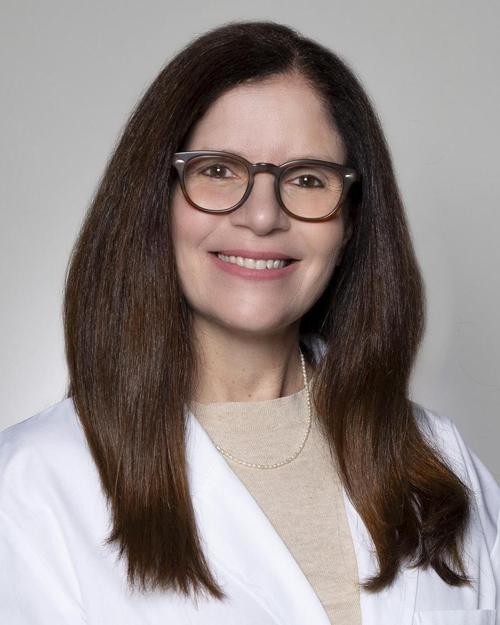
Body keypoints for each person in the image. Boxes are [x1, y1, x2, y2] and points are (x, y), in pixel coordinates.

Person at [0, 19, 498, 625]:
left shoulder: (439, 461)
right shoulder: (30, 486)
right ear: (155, 201)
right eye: (218, 170)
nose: (262, 217)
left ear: (351, 223)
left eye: (308, 179)